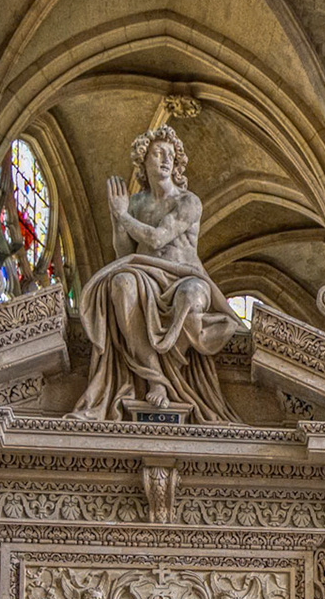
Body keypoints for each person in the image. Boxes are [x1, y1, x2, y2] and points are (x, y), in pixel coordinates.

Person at [69, 124, 241, 422]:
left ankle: (170, 367)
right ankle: (155, 376)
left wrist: (123, 215)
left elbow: (160, 238)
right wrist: (116, 218)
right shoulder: (135, 203)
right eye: (157, 153)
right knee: (121, 283)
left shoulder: (188, 201)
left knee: (189, 296)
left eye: (170, 155)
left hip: (183, 277)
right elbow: (124, 254)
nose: (165, 159)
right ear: (143, 160)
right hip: (145, 274)